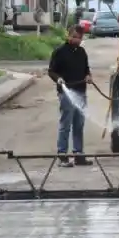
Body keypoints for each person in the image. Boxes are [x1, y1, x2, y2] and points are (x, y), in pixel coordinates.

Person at [48, 24, 93, 167]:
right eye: (74, 37)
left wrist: (88, 76)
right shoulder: (59, 52)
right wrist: (58, 79)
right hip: (66, 93)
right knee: (65, 125)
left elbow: (86, 69)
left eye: (79, 38)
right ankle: (62, 156)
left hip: (81, 92)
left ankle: (78, 155)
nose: (77, 40)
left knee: (79, 125)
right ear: (68, 35)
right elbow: (51, 71)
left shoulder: (82, 52)